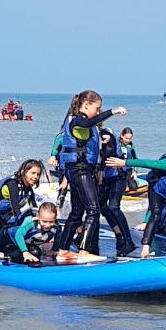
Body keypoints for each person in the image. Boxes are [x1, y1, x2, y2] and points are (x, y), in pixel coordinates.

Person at [56, 90, 126, 263]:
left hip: (76, 171)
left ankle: (63, 250)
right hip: (80, 171)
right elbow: (89, 123)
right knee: (93, 210)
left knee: (76, 213)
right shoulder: (78, 121)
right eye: (97, 108)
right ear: (86, 105)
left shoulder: (78, 121)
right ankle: (84, 251)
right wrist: (112, 111)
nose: (97, 111)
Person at [98, 128, 136, 256]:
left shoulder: (109, 139)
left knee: (114, 207)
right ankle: (119, 235)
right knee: (101, 207)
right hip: (107, 180)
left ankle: (128, 241)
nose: (104, 138)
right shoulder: (96, 141)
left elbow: (108, 151)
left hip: (119, 177)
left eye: (106, 136)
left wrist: (133, 172)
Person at [119, 127, 139, 191]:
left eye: (130, 139)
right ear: (122, 135)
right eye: (126, 138)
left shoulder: (131, 146)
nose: (128, 140)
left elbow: (135, 159)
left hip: (128, 170)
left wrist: (135, 172)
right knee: (124, 188)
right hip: (120, 170)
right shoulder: (117, 145)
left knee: (134, 187)